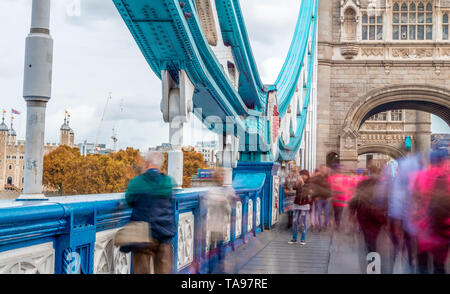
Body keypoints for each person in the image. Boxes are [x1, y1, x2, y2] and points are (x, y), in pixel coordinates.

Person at [124, 151, 176, 274]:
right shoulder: (168, 182)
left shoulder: (137, 182)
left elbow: (129, 200)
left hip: (143, 235)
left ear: (147, 164)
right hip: (164, 233)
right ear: (160, 165)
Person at [201, 167, 238, 274]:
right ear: (217, 177)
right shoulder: (212, 190)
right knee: (215, 249)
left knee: (220, 249)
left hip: (221, 225)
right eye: (221, 175)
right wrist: (225, 201)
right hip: (213, 225)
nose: (223, 177)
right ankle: (213, 270)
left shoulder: (224, 190)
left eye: (223, 175)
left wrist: (229, 201)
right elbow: (208, 203)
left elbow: (228, 209)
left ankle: (218, 270)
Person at [349, 165, 388, 257]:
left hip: (364, 214)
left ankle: (371, 256)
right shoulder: (383, 184)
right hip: (377, 214)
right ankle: (373, 253)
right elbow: (388, 200)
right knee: (373, 237)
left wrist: (352, 212)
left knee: (369, 238)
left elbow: (356, 198)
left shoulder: (362, 183)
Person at [289, 170, 313, 245]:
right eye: (301, 175)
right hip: (297, 203)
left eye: (304, 175)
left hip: (305, 204)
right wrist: (297, 182)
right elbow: (293, 187)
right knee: (295, 221)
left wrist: (302, 183)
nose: (303, 176)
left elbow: (307, 191)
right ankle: (294, 238)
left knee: (303, 222)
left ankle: (303, 239)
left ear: (307, 176)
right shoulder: (299, 181)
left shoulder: (309, 183)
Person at [310, 165, 332, 231]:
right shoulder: (316, 178)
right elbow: (313, 187)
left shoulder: (328, 178)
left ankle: (325, 225)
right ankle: (319, 226)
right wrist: (315, 196)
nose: (324, 170)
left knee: (327, 213)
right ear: (320, 169)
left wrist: (331, 196)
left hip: (327, 198)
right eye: (323, 168)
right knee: (319, 213)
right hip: (319, 198)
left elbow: (331, 187)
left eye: (325, 169)